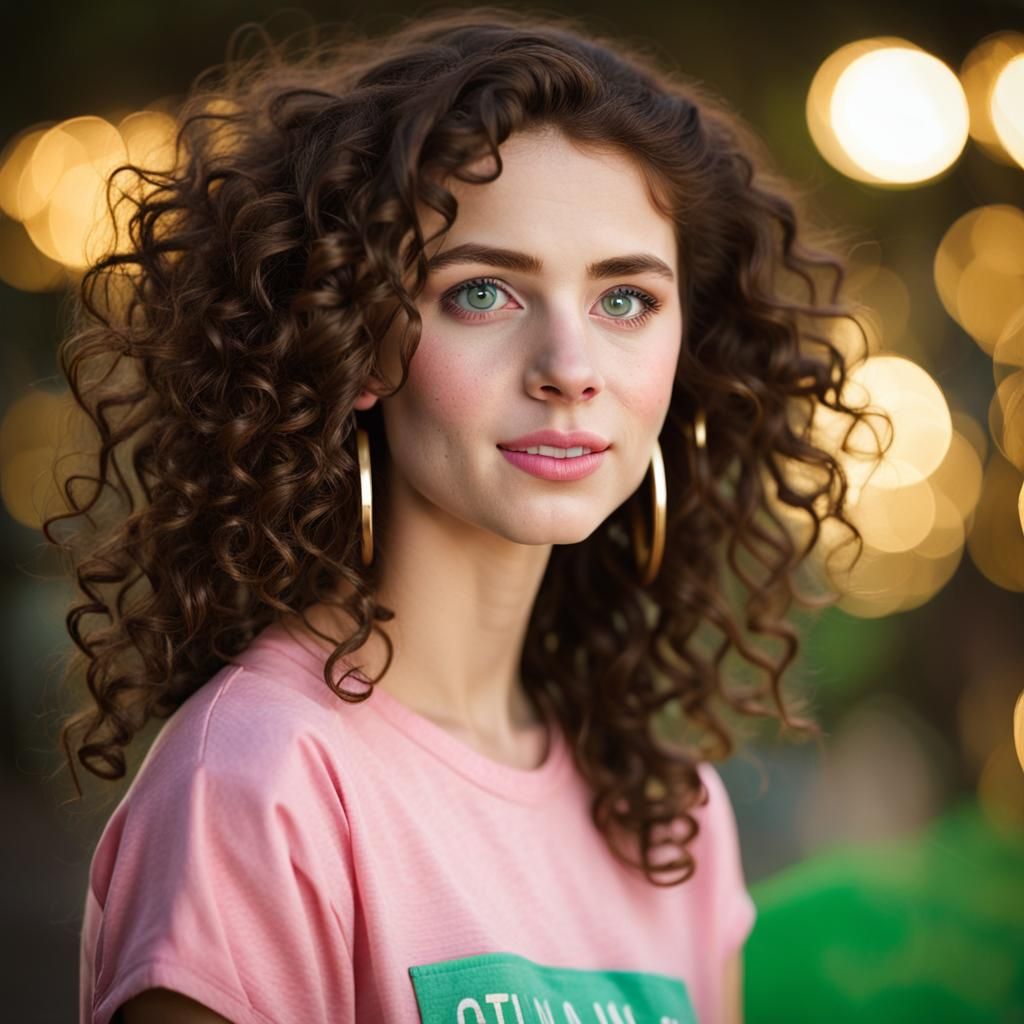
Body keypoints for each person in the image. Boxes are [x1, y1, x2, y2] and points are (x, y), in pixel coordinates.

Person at [50, 7, 875, 1023]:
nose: (570, 369)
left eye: (625, 301)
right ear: (354, 339)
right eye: (483, 292)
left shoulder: (675, 823)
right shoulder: (259, 782)